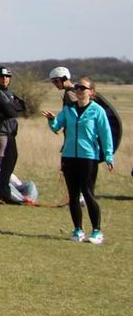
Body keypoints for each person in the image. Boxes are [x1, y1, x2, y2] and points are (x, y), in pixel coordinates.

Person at [43, 77, 114, 244]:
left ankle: (97, 231)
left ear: (91, 92)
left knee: (88, 193)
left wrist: (108, 155)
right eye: (77, 87)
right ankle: (78, 230)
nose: (79, 90)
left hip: (88, 157)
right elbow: (56, 127)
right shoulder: (68, 109)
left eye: (83, 88)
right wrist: (52, 120)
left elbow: (105, 134)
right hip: (69, 157)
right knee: (73, 195)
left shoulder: (97, 111)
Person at [0, 66, 27, 205]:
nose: (5, 79)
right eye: (2, 77)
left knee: (10, 161)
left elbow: (23, 106)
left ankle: (4, 193)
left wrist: (12, 106)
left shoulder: (9, 93)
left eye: (7, 77)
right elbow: (11, 111)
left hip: (10, 133)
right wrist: (13, 106)